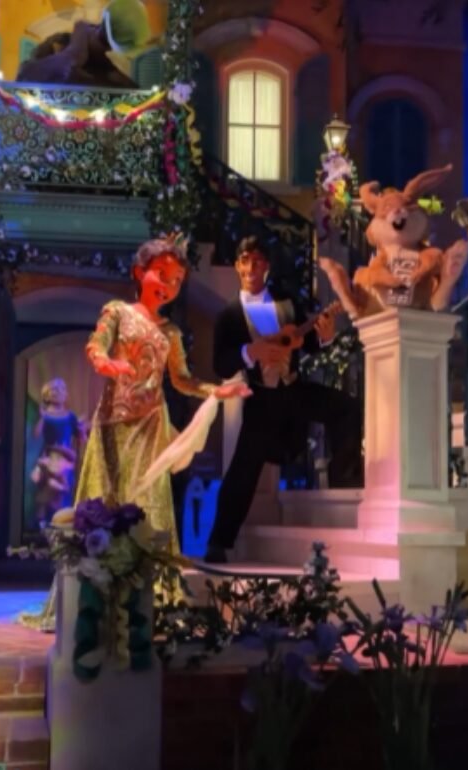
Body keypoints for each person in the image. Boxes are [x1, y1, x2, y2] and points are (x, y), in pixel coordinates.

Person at [19, 237, 248, 631]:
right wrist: (108, 364)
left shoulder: (171, 332)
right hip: (113, 425)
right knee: (106, 505)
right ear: (140, 273)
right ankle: (96, 595)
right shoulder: (118, 312)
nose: (169, 286)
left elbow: (182, 380)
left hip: (150, 430)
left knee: (147, 508)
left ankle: (153, 597)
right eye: (162, 274)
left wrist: (217, 391)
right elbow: (96, 346)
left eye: (177, 280)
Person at [205, 236, 362, 563]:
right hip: (261, 399)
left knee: (346, 408)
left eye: (257, 261)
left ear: (266, 266)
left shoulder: (287, 303)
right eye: (245, 261)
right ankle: (219, 542)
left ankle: (344, 485)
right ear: (237, 267)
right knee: (243, 469)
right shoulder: (229, 315)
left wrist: (325, 336)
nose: (251, 267)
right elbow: (220, 364)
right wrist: (250, 351)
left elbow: (310, 345)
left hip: (293, 389)